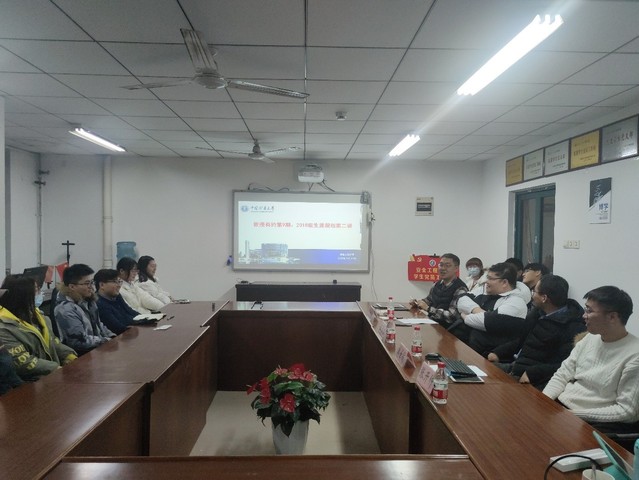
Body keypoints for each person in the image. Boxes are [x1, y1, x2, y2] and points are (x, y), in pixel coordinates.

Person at [543, 286, 639, 431]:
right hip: (562, 406)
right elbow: (562, 374)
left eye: (589, 311)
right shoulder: (590, 338)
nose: (584, 315)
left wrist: (569, 414)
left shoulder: (634, 355)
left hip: (591, 421)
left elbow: (627, 412)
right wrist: (545, 401)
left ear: (612, 317)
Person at [487, 274, 586, 390]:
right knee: (480, 370)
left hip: (529, 377)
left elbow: (564, 364)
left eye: (534, 292)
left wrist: (533, 373)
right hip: (515, 365)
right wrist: (498, 352)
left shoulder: (572, 327)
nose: (532, 295)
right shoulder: (537, 313)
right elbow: (522, 340)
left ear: (544, 298)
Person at [0, 276, 77, 380]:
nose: (40, 293)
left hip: (51, 376)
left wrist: (69, 356)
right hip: (30, 382)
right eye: (37, 290)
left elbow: (53, 342)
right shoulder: (4, 327)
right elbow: (22, 362)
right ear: (22, 296)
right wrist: (56, 368)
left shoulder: (38, 316)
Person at [457, 262, 528, 357]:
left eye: (491, 279)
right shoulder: (484, 290)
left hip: (487, 355)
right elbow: (461, 299)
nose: (486, 281)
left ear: (504, 282)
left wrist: (465, 317)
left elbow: (487, 322)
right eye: (487, 277)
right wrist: (478, 311)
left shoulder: (516, 302)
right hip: (466, 346)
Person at [55, 264, 115, 355]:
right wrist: (106, 340)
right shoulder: (65, 309)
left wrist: (112, 337)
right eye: (87, 283)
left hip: (98, 348)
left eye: (92, 282)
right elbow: (79, 341)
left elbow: (99, 325)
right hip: (81, 355)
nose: (91, 287)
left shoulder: (88, 300)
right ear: (72, 287)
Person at [410, 253, 467, 327]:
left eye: (447, 265)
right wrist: (417, 303)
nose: (443, 268)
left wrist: (428, 309)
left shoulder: (461, 288)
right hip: (434, 324)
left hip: (449, 329)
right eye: (441, 265)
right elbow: (429, 300)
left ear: (456, 268)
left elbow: (451, 316)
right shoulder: (437, 284)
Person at [95, 269, 140, 335]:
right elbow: (118, 327)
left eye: (119, 281)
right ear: (102, 285)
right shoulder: (99, 303)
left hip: (130, 332)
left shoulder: (116, 296)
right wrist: (137, 321)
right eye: (115, 282)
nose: (119, 285)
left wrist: (145, 318)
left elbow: (130, 311)